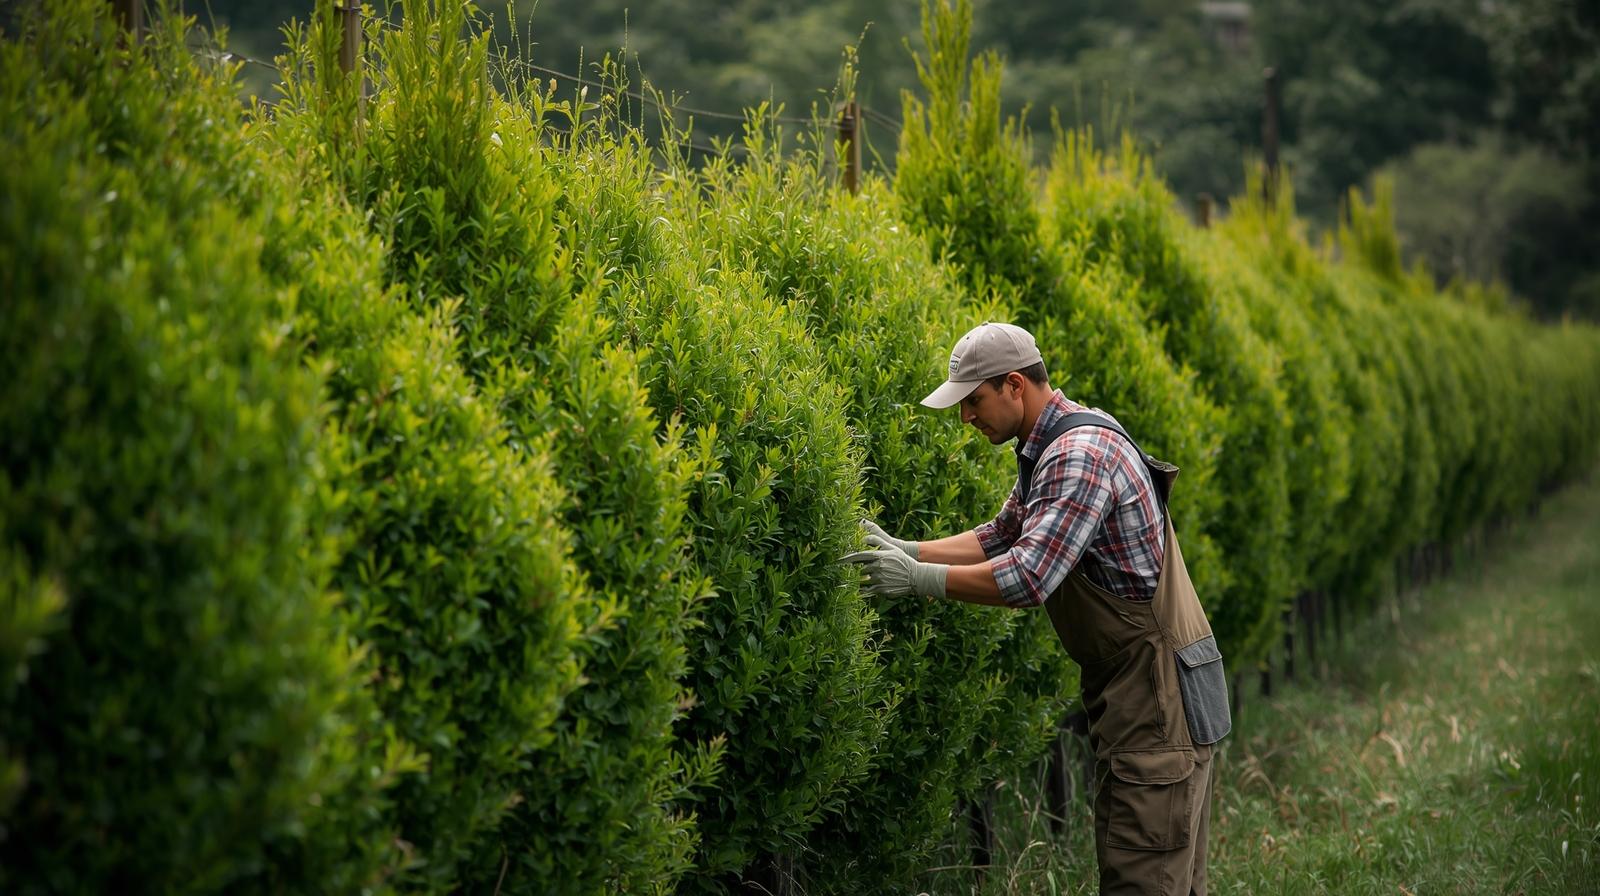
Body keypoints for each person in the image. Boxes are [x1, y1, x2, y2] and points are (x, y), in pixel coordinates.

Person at [843, 321, 1231, 895]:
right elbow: (1003, 534)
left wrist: (918, 579)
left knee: (1143, 879)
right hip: (1146, 690)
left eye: (974, 401)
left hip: (1157, 697)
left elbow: (1029, 576)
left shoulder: (1077, 455)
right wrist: (910, 549)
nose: (965, 417)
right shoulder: (1055, 441)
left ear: (1015, 385)